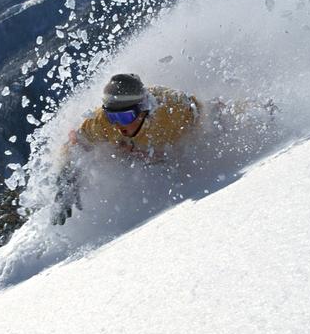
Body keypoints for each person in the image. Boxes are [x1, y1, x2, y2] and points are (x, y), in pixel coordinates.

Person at [51, 73, 202, 225]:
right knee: (118, 150)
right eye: (112, 117)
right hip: (141, 154)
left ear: (143, 110)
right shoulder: (103, 122)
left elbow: (206, 116)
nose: (118, 125)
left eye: (124, 117)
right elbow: (75, 142)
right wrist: (67, 176)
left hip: (177, 150)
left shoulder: (173, 111)